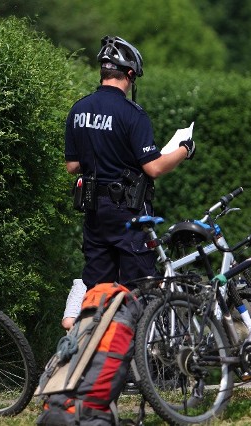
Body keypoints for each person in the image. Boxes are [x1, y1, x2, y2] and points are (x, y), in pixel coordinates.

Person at [63, 35, 195, 328]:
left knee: (98, 292)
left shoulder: (78, 109)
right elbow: (154, 167)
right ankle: (139, 364)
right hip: (128, 215)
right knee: (140, 293)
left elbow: (72, 166)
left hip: (94, 213)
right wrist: (184, 150)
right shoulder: (132, 114)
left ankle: (97, 357)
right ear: (131, 74)